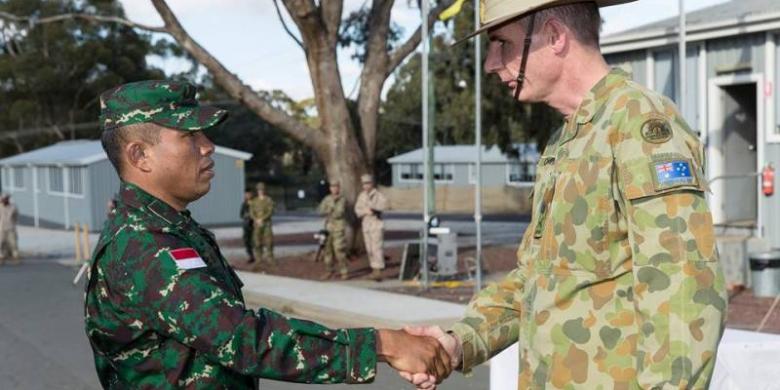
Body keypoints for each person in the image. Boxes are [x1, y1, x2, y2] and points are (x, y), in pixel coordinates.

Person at [404, 1, 727, 389]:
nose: (491, 62)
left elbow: (682, 287)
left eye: (501, 43)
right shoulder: (567, 139)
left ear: (555, 37)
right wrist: (458, 343)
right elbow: (536, 278)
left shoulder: (639, 123)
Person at [83, 80, 453, 388]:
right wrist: (383, 345)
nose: (207, 146)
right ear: (140, 156)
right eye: (189, 135)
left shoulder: (172, 229)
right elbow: (241, 338)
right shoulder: (142, 244)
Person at [354, 174, 389, 282]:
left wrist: (374, 208)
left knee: (376, 248)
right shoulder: (362, 196)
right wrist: (364, 211)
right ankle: (373, 269)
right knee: (369, 249)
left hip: (376, 223)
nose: (366, 186)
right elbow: (357, 209)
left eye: (368, 183)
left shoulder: (378, 195)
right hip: (366, 224)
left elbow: (385, 205)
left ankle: (378, 270)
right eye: (364, 184)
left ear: (372, 184)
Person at [318, 180, 349, 280]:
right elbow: (320, 210)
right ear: (330, 188)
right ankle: (329, 270)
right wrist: (328, 211)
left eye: (336, 187)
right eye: (332, 187)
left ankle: (344, 271)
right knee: (327, 250)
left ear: (339, 188)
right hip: (328, 228)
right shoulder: (327, 199)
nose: (334, 188)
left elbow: (339, 212)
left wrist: (328, 211)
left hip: (338, 228)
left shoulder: (342, 199)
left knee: (339, 250)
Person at [250, 182, 275, 270]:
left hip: (266, 224)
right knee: (257, 242)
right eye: (259, 190)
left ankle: (270, 258)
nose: (261, 191)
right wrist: (256, 219)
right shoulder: (254, 201)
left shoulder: (268, 200)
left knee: (269, 241)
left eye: (262, 190)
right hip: (257, 224)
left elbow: (270, 211)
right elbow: (251, 212)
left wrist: (262, 219)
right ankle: (258, 259)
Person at [0, 193, 19, 264]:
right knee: (1, 243)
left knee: (13, 243)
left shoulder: (13, 207)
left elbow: (16, 216)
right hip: (1, 228)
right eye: (2, 200)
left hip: (11, 228)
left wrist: (13, 224)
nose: (3, 201)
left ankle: (16, 257)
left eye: (5, 199)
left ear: (7, 199)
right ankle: (1, 257)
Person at [240, 188, 255, 263]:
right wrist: (246, 216)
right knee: (247, 241)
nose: (247, 196)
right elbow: (241, 214)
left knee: (255, 241)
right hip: (246, 225)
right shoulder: (244, 204)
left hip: (254, 225)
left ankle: (257, 256)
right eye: (246, 194)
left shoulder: (255, 203)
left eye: (249, 194)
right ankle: (251, 256)